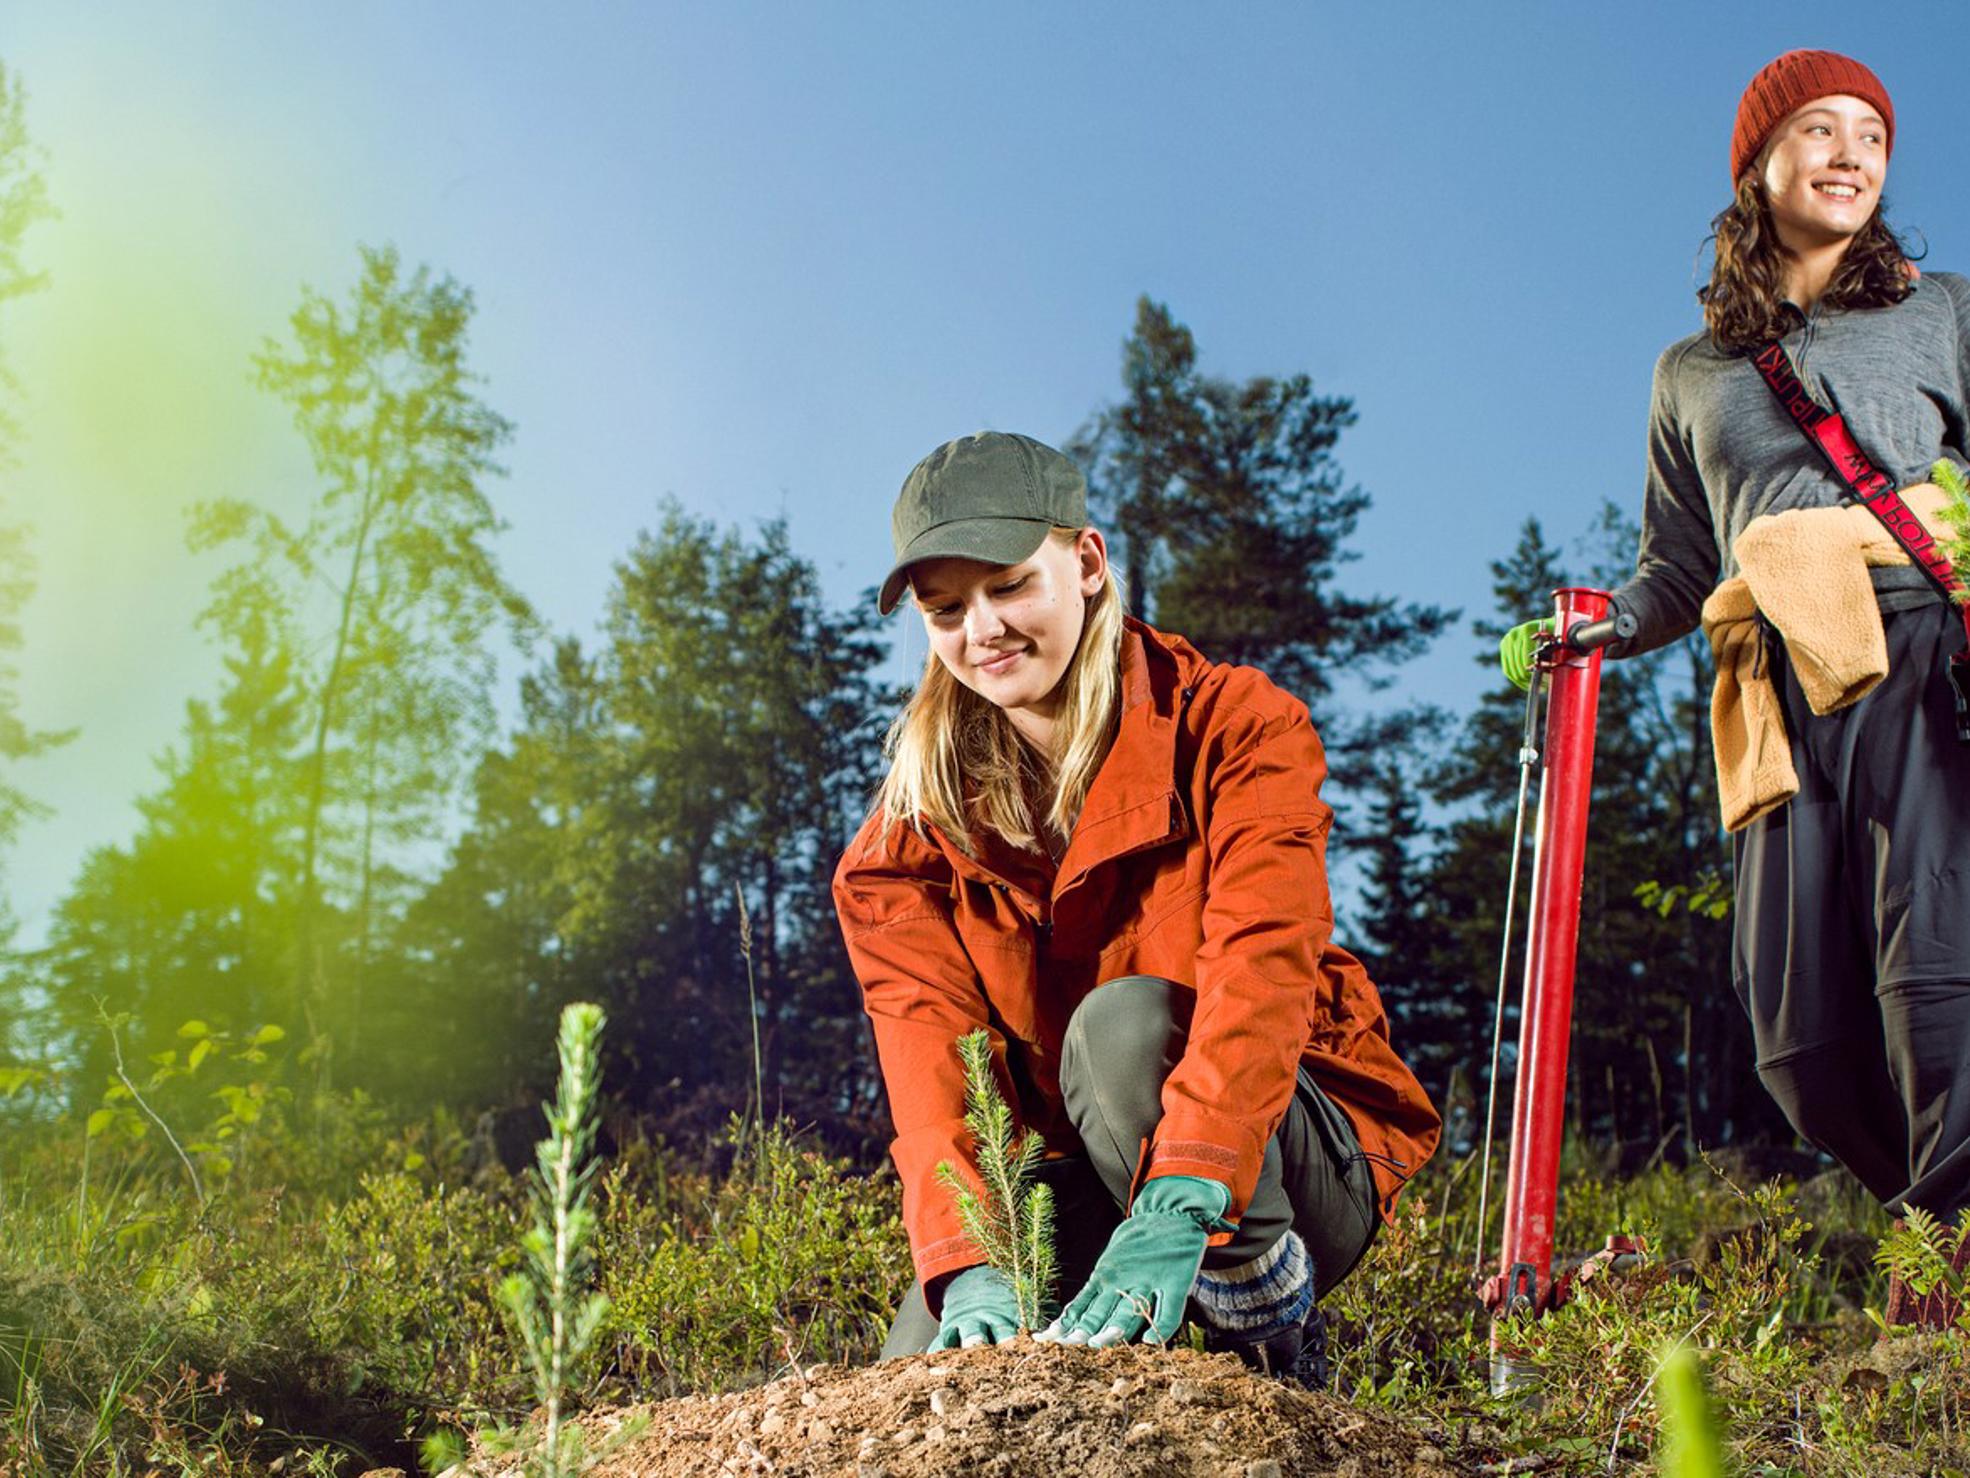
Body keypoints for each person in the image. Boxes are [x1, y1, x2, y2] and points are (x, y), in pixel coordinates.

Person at [1498, 50, 1970, 1326]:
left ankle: (1942, 1257)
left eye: (1869, 134)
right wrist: (1596, 635)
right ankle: (1933, 1202)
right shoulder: (1688, 372)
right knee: (1795, 1042)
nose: (1849, 153)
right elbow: (1675, 561)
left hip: (1917, 638)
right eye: (1816, 129)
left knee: (1928, 968)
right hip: (1764, 676)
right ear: (1754, 165)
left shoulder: (1942, 312)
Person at [833, 430, 1440, 1381]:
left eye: (1007, 586)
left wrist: (1184, 1198)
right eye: (944, 608)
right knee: (928, 1371)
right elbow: (935, 1072)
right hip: (1070, 1180)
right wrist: (978, 1262)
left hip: (1279, 1151)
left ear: (1085, 563)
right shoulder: (898, 850)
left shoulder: (1238, 728)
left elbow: (1262, 967)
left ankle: (1273, 1342)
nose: (980, 630)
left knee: (1120, 1031)